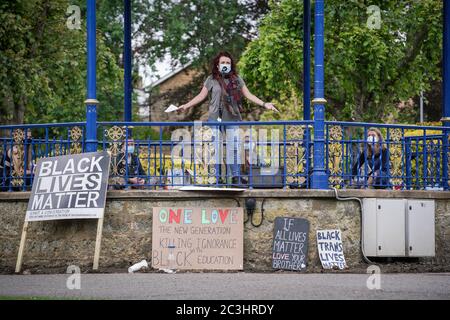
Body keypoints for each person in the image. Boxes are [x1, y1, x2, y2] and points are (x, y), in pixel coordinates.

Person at [178, 51, 279, 186]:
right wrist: (186, 105)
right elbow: (201, 96)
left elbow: (248, 95)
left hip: (232, 118)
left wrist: (265, 104)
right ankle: (216, 177)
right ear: (217, 65)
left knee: (234, 148)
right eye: (223, 62)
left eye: (228, 62)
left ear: (231, 65)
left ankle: (235, 177)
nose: (225, 65)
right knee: (215, 148)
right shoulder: (211, 79)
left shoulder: (237, 79)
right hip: (215, 118)